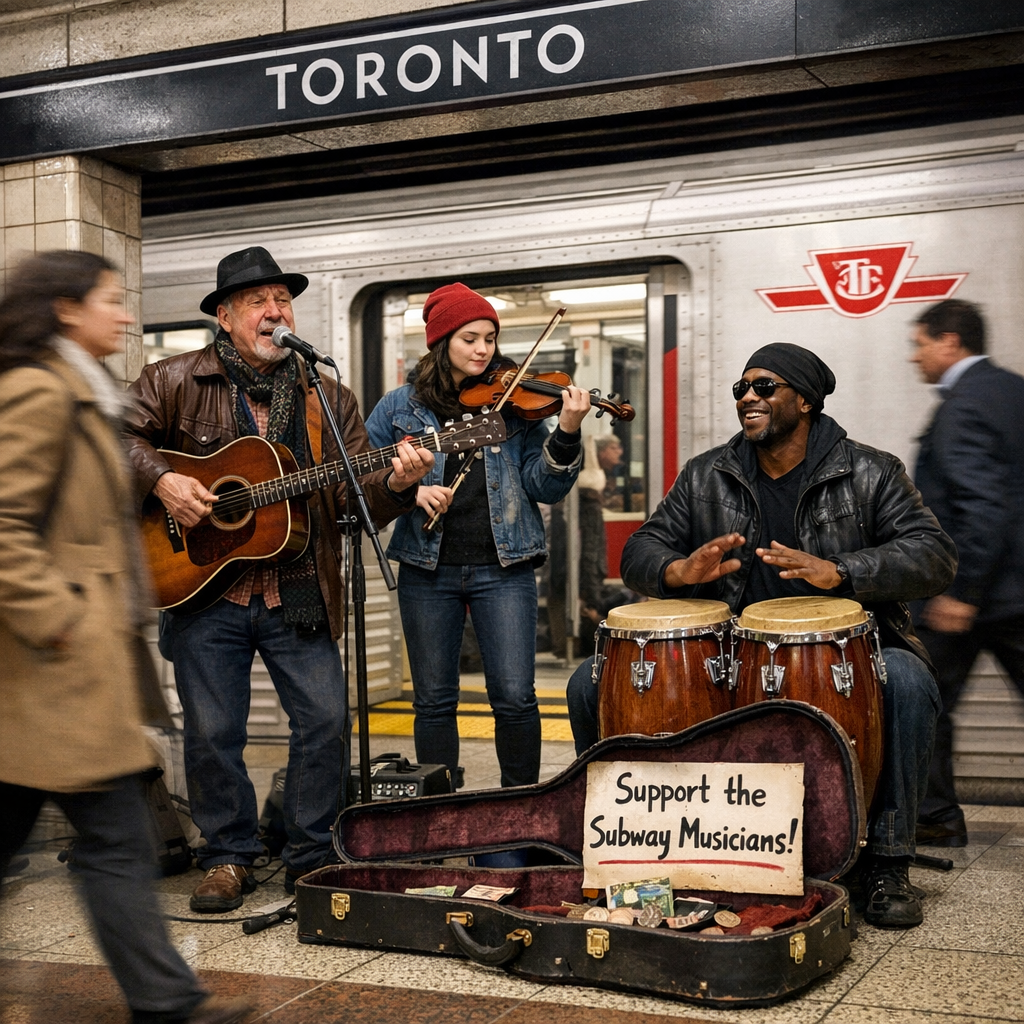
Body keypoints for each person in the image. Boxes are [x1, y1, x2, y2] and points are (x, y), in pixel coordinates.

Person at [567, 343, 956, 929]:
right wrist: (678, 571)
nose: (748, 396)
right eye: (741, 388)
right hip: (729, 653)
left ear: (804, 400)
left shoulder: (870, 472)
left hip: (842, 652)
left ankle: (889, 860)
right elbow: (643, 549)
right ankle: (624, 850)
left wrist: (844, 571)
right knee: (583, 683)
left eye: (765, 386)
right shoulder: (708, 474)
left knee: (905, 678)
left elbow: (934, 555)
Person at [124, 246, 432, 910]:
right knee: (212, 731)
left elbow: (353, 496)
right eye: (259, 301)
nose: (275, 311)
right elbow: (111, 438)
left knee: (324, 721)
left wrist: (397, 486)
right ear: (225, 316)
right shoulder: (175, 378)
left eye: (283, 300)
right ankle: (227, 855)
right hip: (203, 587)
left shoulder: (328, 394)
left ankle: (311, 854)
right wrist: (166, 480)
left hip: (298, 589)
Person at [0, 251, 251, 1024]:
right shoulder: (38, 392)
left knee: (115, 844)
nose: (123, 313)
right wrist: (61, 617)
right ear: (66, 309)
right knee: (114, 842)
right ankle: (170, 1004)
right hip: (46, 665)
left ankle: (168, 1002)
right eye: (110, 300)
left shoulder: (84, 389)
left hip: (75, 669)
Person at [365, 283, 591, 787]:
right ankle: (440, 808)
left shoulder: (515, 400)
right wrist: (407, 491)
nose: (483, 349)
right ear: (441, 341)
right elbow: (363, 485)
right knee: (433, 700)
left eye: (490, 337)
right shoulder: (398, 408)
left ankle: (519, 807)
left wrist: (568, 431)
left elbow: (543, 485)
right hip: (427, 569)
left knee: (514, 696)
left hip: (504, 568)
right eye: (470, 338)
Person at [909, 299, 1024, 847]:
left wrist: (963, 591)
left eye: (920, 343)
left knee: (924, 699)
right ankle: (933, 815)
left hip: (980, 593)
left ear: (950, 342)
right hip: (1012, 587)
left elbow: (983, 506)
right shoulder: (1012, 391)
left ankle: (935, 818)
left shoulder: (964, 406)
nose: (916, 357)